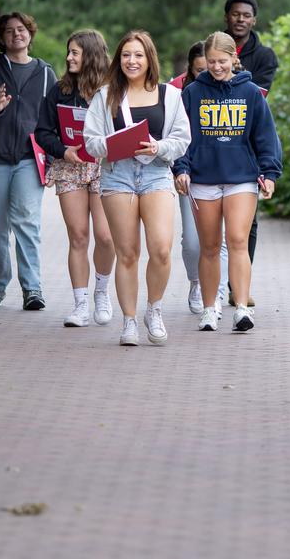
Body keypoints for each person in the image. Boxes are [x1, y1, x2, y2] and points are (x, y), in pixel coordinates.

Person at [82, 30, 191, 346]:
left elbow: (182, 140)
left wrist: (157, 147)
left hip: (156, 174)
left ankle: (153, 309)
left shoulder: (169, 95)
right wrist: (114, 144)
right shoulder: (106, 96)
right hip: (118, 175)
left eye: (138, 55)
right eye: (127, 55)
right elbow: (90, 141)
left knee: (160, 248)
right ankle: (128, 321)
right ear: (119, 59)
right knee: (127, 253)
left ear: (149, 59)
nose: (132, 61)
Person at [175, 31, 281, 333]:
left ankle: (242, 309)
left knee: (237, 241)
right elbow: (181, 136)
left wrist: (269, 173)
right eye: (211, 62)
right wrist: (180, 168)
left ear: (234, 58)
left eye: (222, 61)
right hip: (204, 180)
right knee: (208, 247)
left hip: (241, 179)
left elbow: (265, 136)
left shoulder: (250, 93)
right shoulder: (193, 92)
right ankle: (210, 309)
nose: (217, 67)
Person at [0, 12, 58, 311]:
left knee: (27, 223)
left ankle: (32, 289)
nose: (16, 35)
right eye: (9, 31)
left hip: (28, 160)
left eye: (21, 30)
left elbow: (54, 116)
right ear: (1, 38)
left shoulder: (46, 72)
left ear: (30, 34)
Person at [35, 30, 117, 327]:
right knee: (78, 236)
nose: (69, 57)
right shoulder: (59, 91)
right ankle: (81, 304)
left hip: (104, 166)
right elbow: (43, 132)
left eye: (75, 52)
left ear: (91, 55)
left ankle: (102, 292)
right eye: (69, 52)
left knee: (107, 237)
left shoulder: (112, 90)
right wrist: (62, 150)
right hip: (69, 166)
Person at [224, 0, 278, 295]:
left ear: (254, 20)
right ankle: (211, 285)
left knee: (247, 219)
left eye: (246, 15)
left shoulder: (265, 56)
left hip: (248, 141)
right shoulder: (211, 47)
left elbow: (257, 97)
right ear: (227, 17)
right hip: (212, 137)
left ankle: (238, 286)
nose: (240, 19)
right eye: (235, 14)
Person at [170, 42, 228, 313]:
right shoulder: (184, 94)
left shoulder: (233, 91)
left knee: (222, 240)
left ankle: (215, 292)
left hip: (227, 175)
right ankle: (196, 282)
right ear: (191, 71)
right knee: (193, 241)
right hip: (193, 176)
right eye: (202, 68)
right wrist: (180, 169)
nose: (211, 71)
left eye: (215, 64)